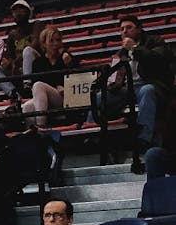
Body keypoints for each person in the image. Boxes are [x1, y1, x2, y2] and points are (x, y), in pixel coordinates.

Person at [93, 14, 173, 147]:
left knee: (147, 90)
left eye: (129, 27)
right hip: (128, 89)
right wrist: (111, 82)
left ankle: (145, 137)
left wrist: (135, 49)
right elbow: (115, 76)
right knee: (99, 97)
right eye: (122, 29)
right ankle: (92, 135)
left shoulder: (155, 41)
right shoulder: (121, 53)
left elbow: (157, 61)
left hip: (151, 85)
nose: (124, 31)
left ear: (139, 29)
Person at [20, 25, 75, 129]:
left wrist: (69, 65)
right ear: (44, 44)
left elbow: (79, 77)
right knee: (27, 107)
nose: (55, 44)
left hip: (65, 97)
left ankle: (41, 127)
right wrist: (56, 85)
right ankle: (34, 135)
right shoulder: (38, 62)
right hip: (44, 98)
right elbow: (37, 87)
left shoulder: (66, 58)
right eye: (51, 41)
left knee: (38, 85)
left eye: (58, 40)